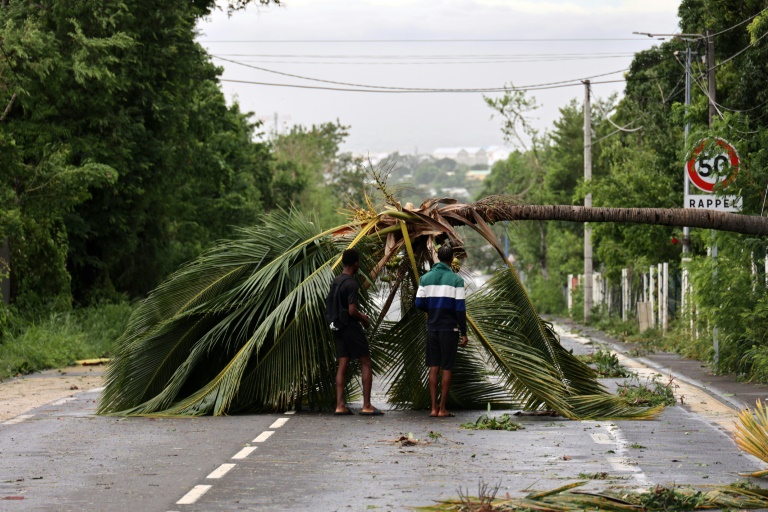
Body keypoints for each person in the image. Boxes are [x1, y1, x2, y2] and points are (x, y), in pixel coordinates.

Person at [415, 245, 468, 418]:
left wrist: (431, 310)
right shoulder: (456, 280)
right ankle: (442, 409)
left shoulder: (425, 278)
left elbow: (418, 303)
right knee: (447, 368)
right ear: (451, 258)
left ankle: (433, 408)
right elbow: (460, 309)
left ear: (437, 257)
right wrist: (464, 332)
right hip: (449, 328)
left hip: (433, 327)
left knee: (433, 367)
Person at [329, 248, 383, 416]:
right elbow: (352, 310)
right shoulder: (351, 283)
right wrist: (364, 319)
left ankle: (340, 405)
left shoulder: (336, 281)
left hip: (337, 326)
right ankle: (367, 405)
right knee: (365, 362)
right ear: (356, 264)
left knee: (343, 364)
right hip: (351, 327)